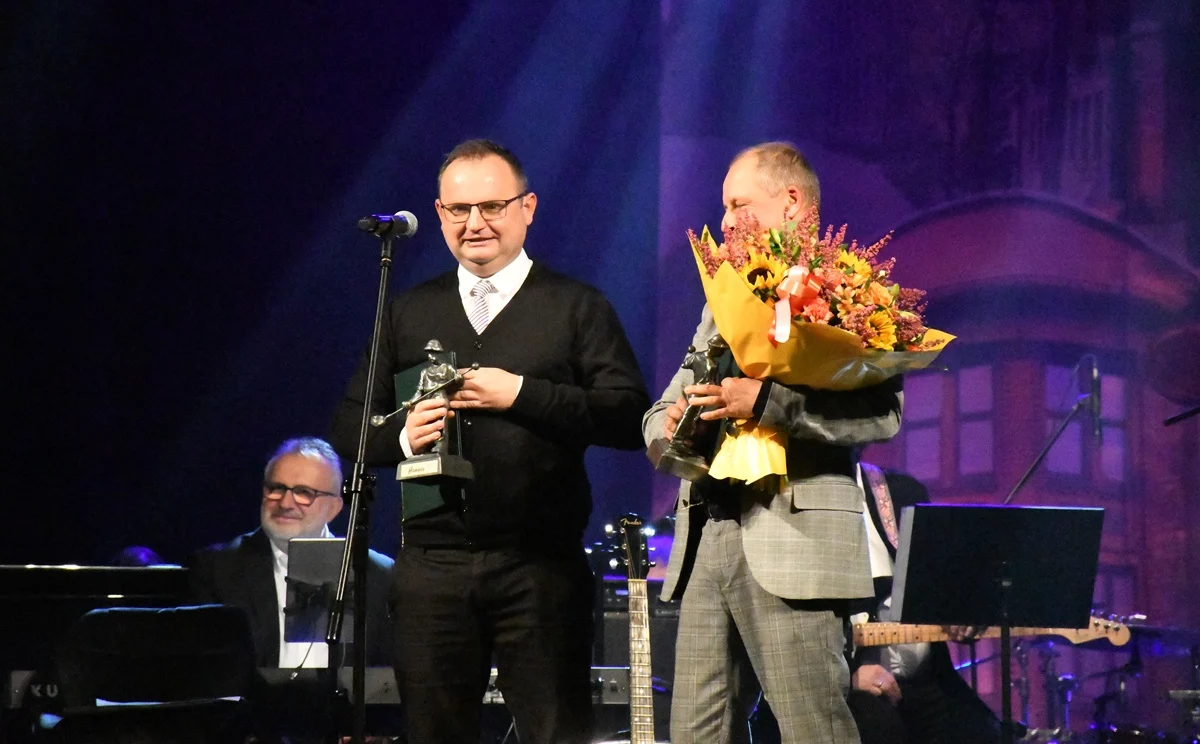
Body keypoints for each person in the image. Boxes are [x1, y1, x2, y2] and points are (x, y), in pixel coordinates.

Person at [327, 138, 650, 744]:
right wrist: (403, 436)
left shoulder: (576, 306)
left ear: (527, 207)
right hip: (431, 569)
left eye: (492, 206)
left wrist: (522, 393)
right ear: (439, 213)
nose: (474, 223)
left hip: (540, 568)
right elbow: (349, 426)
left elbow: (630, 418)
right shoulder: (407, 311)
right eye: (458, 209)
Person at [643, 141, 903, 744]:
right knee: (695, 735)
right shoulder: (724, 299)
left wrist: (767, 404)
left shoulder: (851, 291)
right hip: (709, 535)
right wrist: (674, 424)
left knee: (814, 731)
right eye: (723, 208)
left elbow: (882, 416)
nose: (725, 221)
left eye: (739, 205)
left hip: (794, 539)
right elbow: (659, 411)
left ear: (791, 202)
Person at [187, 436, 394, 669]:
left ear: (334, 508)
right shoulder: (217, 569)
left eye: (304, 493)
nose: (285, 503)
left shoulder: (377, 574)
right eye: (276, 488)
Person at [845, 459, 1001, 744]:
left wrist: (961, 610)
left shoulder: (901, 490)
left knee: (984, 734)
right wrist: (847, 676)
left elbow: (939, 582)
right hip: (853, 687)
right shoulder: (788, 501)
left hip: (927, 679)